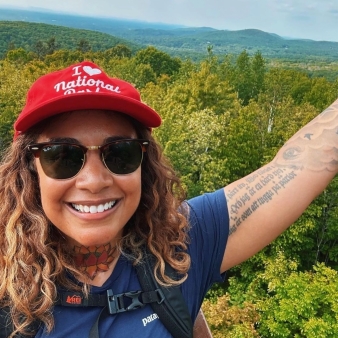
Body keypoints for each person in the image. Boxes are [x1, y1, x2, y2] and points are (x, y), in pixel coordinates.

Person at [0, 60, 337, 338]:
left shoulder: (179, 246)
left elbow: (305, 160)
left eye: (120, 154)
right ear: (30, 169)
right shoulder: (7, 293)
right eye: (63, 156)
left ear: (144, 165)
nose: (94, 181)